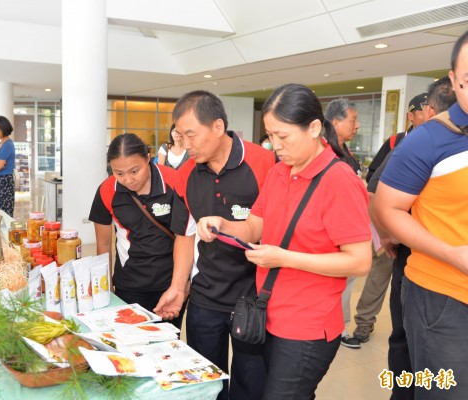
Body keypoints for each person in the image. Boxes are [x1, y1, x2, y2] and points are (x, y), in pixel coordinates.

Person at [197, 83, 372, 399]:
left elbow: (359, 261)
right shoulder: (280, 172)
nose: (274, 145)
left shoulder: (339, 180)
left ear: (315, 128)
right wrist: (223, 224)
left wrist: (284, 258)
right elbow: (253, 226)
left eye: (283, 136)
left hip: (308, 326)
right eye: (270, 136)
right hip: (269, 314)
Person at [156, 90, 275, 400]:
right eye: (178, 136)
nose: (183, 144)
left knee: (251, 387)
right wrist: (178, 288)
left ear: (218, 127)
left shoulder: (264, 163)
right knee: (206, 386)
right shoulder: (186, 175)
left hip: (256, 300)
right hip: (206, 297)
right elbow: (185, 234)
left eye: (190, 135)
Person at [373, 31, 468, 400]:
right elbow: (384, 207)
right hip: (442, 294)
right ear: (453, 78)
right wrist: (453, 254)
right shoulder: (428, 139)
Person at [89, 133, 194, 329]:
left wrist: (182, 284)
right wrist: (105, 289)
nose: (128, 180)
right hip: (129, 284)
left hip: (170, 283)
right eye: (119, 173)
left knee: (168, 343)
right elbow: (103, 245)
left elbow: (187, 235)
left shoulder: (173, 181)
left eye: (134, 171)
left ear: (148, 157)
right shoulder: (106, 190)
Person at [350, 93, 429, 347]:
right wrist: (384, 230)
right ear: (411, 115)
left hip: (422, 231)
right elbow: (373, 182)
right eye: (424, 109)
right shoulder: (397, 142)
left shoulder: (439, 143)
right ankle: (364, 324)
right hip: (392, 226)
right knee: (381, 274)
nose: (429, 114)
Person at [324, 97, 364, 349]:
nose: (357, 126)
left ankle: (340, 325)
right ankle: (338, 326)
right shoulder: (324, 153)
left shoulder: (345, 153)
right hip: (330, 233)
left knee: (347, 281)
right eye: (353, 120)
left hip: (349, 230)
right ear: (335, 122)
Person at [365, 93, 427, 184]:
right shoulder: (394, 141)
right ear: (410, 116)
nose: (430, 116)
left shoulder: (442, 143)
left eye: (435, 111)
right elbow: (371, 176)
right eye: (424, 111)